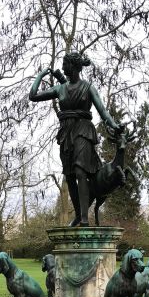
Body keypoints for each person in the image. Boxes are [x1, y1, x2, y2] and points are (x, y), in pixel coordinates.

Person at [29, 52, 120, 227]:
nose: (63, 68)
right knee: (69, 175)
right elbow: (33, 96)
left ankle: (85, 218)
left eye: (65, 64)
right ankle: (79, 215)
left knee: (80, 172)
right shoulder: (60, 89)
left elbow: (102, 110)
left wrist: (114, 125)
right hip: (66, 132)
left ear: (73, 66)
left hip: (83, 130)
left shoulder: (88, 87)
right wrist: (40, 76)